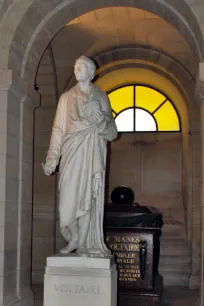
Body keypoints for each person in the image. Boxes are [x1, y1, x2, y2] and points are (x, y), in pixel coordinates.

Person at [43, 56, 118, 257]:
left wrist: (100, 121)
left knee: (88, 200)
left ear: (91, 72)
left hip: (92, 153)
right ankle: (73, 237)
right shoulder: (66, 98)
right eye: (75, 66)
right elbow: (58, 129)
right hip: (71, 153)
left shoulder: (101, 96)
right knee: (66, 203)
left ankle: (83, 243)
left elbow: (112, 132)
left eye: (82, 67)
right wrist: (52, 157)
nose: (77, 69)